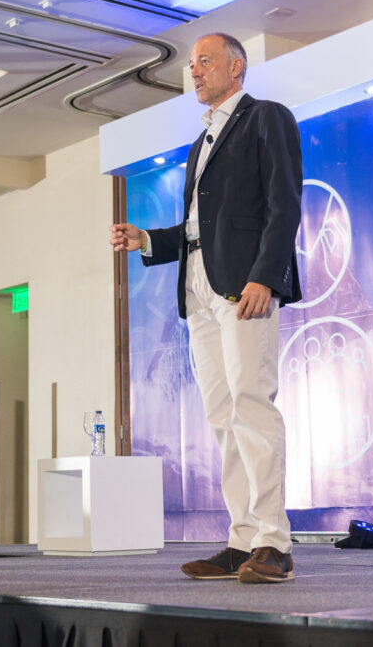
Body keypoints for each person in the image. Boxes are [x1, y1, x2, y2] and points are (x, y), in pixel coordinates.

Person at [110, 33, 302, 584]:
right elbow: (200, 230)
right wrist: (147, 239)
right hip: (197, 292)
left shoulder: (267, 117)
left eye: (204, 61)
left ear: (236, 67)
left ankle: (274, 542)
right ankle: (243, 541)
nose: (192, 71)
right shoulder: (200, 144)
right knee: (223, 418)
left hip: (245, 290)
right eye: (190, 64)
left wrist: (267, 275)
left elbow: (284, 202)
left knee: (251, 405)